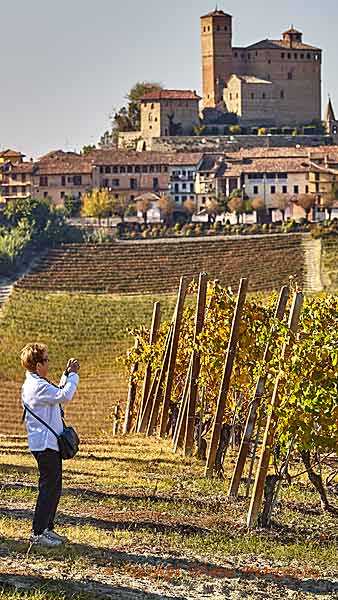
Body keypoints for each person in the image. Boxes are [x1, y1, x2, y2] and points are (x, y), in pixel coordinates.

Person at [20, 343, 80, 548]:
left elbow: (56, 393)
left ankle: (47, 528)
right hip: (45, 445)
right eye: (46, 360)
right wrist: (73, 376)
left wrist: (65, 375)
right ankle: (38, 533)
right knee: (48, 488)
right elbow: (64, 395)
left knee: (54, 487)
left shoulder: (37, 383)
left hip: (47, 444)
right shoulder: (37, 386)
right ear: (37, 365)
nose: (48, 363)